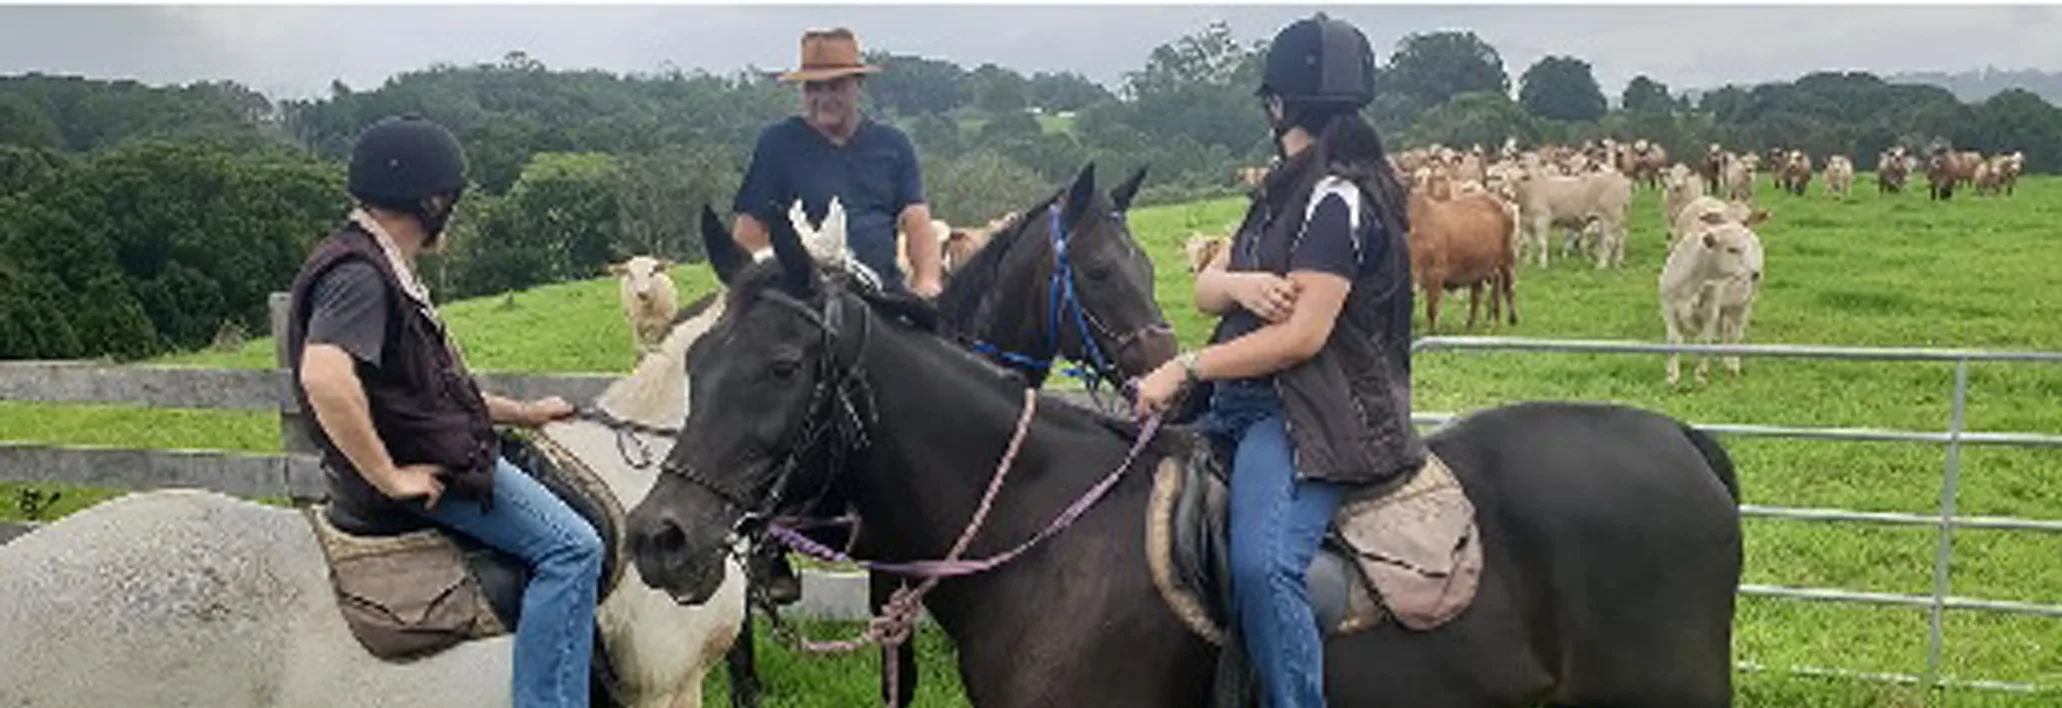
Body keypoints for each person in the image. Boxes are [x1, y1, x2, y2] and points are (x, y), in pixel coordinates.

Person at [1131, 13, 1427, 708]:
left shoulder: (1338, 201)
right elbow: (1206, 288)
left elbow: (1302, 340)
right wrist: (1237, 285)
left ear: (1278, 105)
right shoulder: (1279, 192)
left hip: (1310, 414)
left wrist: (1187, 367)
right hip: (1242, 402)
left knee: (1264, 569)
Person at [286, 114, 603, 708]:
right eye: (450, 198)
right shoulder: (360, 275)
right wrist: (388, 476)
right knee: (573, 548)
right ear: (433, 201)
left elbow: (431, 395)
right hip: (427, 469)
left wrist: (527, 413)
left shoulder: (372, 262)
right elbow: (325, 376)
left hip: (430, 448)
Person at [731, 27, 943, 298]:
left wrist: (927, 281)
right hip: (806, 301)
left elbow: (917, 221)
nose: (824, 98)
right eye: (814, 88)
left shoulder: (893, 145)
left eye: (836, 86)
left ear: (857, 85)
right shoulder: (778, 144)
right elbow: (749, 231)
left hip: (882, 297)